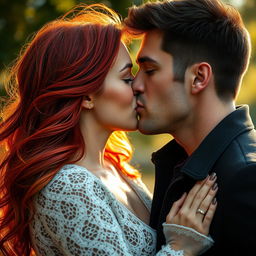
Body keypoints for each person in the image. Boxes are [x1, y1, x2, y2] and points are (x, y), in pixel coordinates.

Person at [0, 4, 218, 256]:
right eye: (127, 78)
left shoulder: (119, 171)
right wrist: (181, 248)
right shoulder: (70, 186)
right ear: (87, 96)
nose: (138, 85)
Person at [124, 0, 255, 255]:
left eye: (149, 70)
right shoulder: (179, 162)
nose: (135, 85)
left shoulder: (247, 180)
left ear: (199, 78)